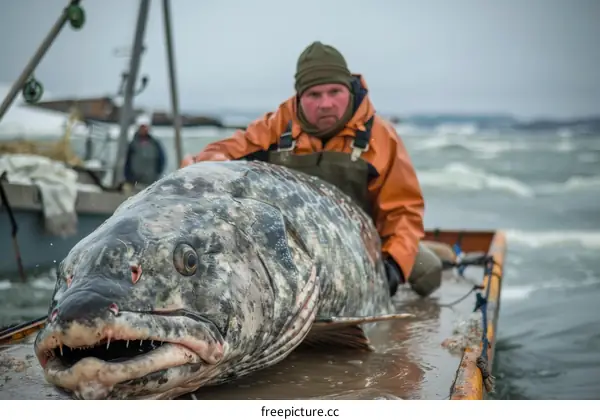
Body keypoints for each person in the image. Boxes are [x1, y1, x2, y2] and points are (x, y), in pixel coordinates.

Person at [181, 41, 442, 298]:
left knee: (426, 270)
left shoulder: (381, 136)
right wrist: (200, 166)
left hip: (361, 245)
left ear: (350, 90)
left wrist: (392, 268)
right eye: (314, 95)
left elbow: (403, 210)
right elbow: (222, 155)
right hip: (296, 243)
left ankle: (430, 254)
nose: (326, 103)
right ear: (300, 97)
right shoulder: (277, 125)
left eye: (334, 92)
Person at [124, 122, 167, 188]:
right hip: (136, 179)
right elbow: (127, 160)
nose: (144, 130)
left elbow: (161, 159)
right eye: (142, 127)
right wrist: (128, 176)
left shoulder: (155, 143)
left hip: (151, 178)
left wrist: (158, 172)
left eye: (145, 127)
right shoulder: (133, 144)